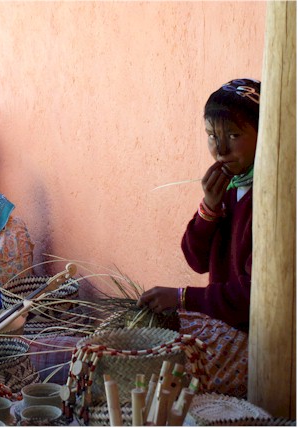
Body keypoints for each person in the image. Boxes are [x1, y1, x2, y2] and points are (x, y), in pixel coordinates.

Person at [137, 78, 261, 398]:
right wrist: (209, 207)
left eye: (233, 135)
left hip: (256, 341)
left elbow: (255, 295)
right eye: (212, 136)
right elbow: (196, 260)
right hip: (225, 325)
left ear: (264, 134)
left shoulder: (271, 198)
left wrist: (182, 298)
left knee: (163, 386)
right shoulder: (230, 188)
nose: (220, 150)